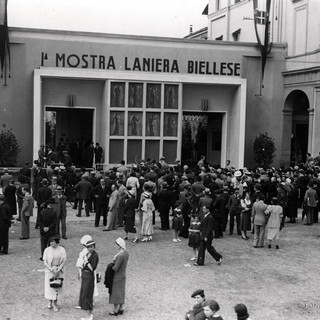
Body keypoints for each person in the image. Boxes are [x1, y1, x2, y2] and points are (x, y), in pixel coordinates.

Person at [43, 234, 66, 312]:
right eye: (50, 242)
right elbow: (45, 261)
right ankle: (49, 301)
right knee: (49, 286)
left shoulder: (62, 249)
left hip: (59, 270)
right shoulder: (47, 250)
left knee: (57, 286)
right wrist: (51, 270)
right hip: (49, 270)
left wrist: (58, 269)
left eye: (52, 242)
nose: (51, 244)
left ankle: (55, 303)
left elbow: (64, 260)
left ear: (56, 242)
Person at [79, 239, 99, 320]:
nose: (89, 248)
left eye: (90, 247)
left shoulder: (95, 255)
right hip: (85, 274)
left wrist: (86, 261)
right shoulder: (88, 253)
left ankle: (89, 315)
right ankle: (88, 314)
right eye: (88, 247)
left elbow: (92, 268)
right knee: (84, 294)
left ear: (94, 247)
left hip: (89, 276)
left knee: (88, 295)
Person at [108, 237, 129, 316]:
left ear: (120, 245)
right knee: (121, 292)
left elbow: (116, 268)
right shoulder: (126, 253)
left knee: (116, 293)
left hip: (117, 277)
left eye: (117, 245)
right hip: (123, 275)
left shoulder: (120, 256)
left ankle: (115, 309)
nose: (116, 246)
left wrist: (112, 265)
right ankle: (121, 307)